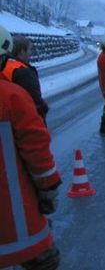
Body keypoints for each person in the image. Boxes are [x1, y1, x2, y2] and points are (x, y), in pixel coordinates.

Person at [0, 25, 62, 270]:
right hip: (15, 221)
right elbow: (36, 149)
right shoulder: (11, 97)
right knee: (45, 261)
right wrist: (48, 189)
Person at [2, 34, 49, 124]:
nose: (30, 53)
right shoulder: (23, 72)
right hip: (22, 123)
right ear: (21, 51)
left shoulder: (5, 65)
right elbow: (34, 103)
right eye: (29, 49)